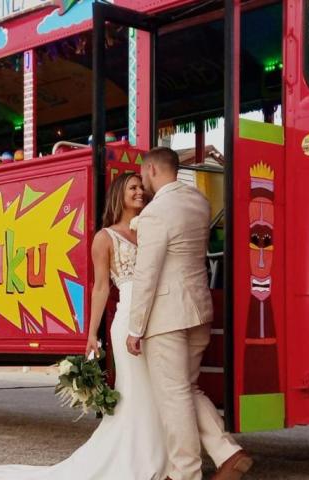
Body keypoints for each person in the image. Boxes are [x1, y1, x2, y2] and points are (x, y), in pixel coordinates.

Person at [0, 172, 168, 480]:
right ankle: (142, 459)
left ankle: (162, 456)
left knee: (157, 390)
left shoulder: (149, 230)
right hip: (127, 321)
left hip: (157, 318)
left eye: (142, 187)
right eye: (133, 188)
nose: (140, 192)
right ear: (118, 196)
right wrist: (91, 335)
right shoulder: (104, 237)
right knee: (136, 391)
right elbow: (100, 289)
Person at [126, 147, 252, 480]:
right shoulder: (199, 202)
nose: (142, 182)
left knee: (174, 395)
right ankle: (229, 453)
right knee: (189, 388)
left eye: (142, 174)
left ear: (152, 169)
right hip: (199, 308)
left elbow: (147, 273)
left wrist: (135, 327)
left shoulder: (157, 212)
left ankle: (184, 473)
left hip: (167, 316)